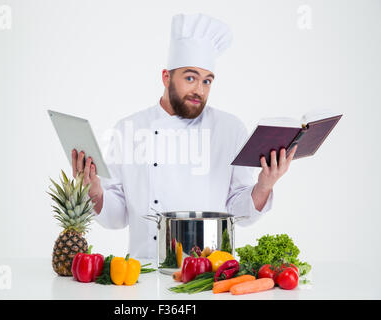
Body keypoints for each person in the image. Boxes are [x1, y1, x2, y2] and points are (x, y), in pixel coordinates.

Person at [71, 13, 297, 259]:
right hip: (145, 270)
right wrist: (94, 189)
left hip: (211, 272)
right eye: (190, 78)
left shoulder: (230, 129)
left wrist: (264, 185)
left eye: (207, 81)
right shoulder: (128, 129)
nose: (199, 90)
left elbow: (239, 214)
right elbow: (116, 219)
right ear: (166, 77)